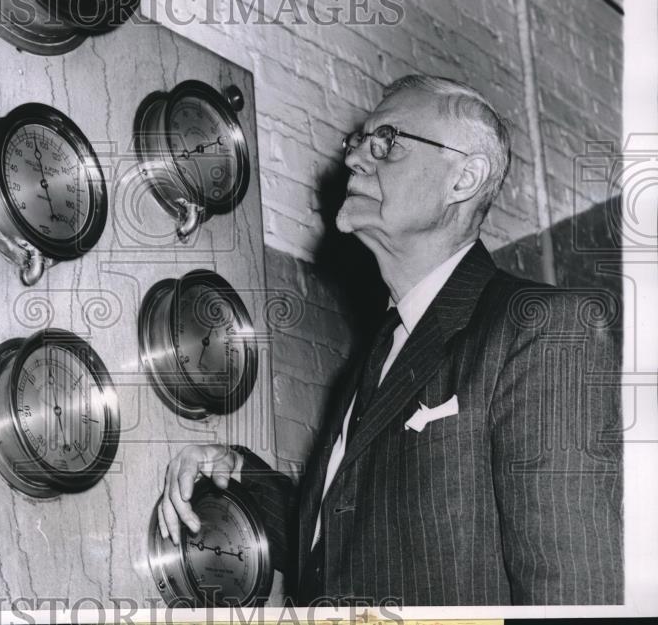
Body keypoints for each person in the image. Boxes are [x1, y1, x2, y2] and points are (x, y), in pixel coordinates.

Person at [158, 75, 623, 605]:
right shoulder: (374, 357)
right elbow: (338, 548)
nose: (356, 158)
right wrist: (237, 471)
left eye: (388, 141)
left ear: (463, 179)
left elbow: (577, 592)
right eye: (358, 142)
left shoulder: (543, 328)